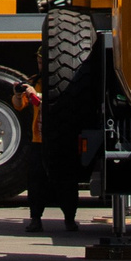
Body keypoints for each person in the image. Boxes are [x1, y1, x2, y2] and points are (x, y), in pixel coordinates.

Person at [21, 81, 81, 234]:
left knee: (66, 181)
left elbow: (50, 106)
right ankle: (35, 219)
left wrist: (34, 95)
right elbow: (19, 104)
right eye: (39, 61)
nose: (41, 64)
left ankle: (69, 219)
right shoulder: (36, 82)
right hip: (38, 140)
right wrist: (18, 94)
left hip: (60, 140)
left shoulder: (65, 79)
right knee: (35, 181)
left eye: (43, 61)